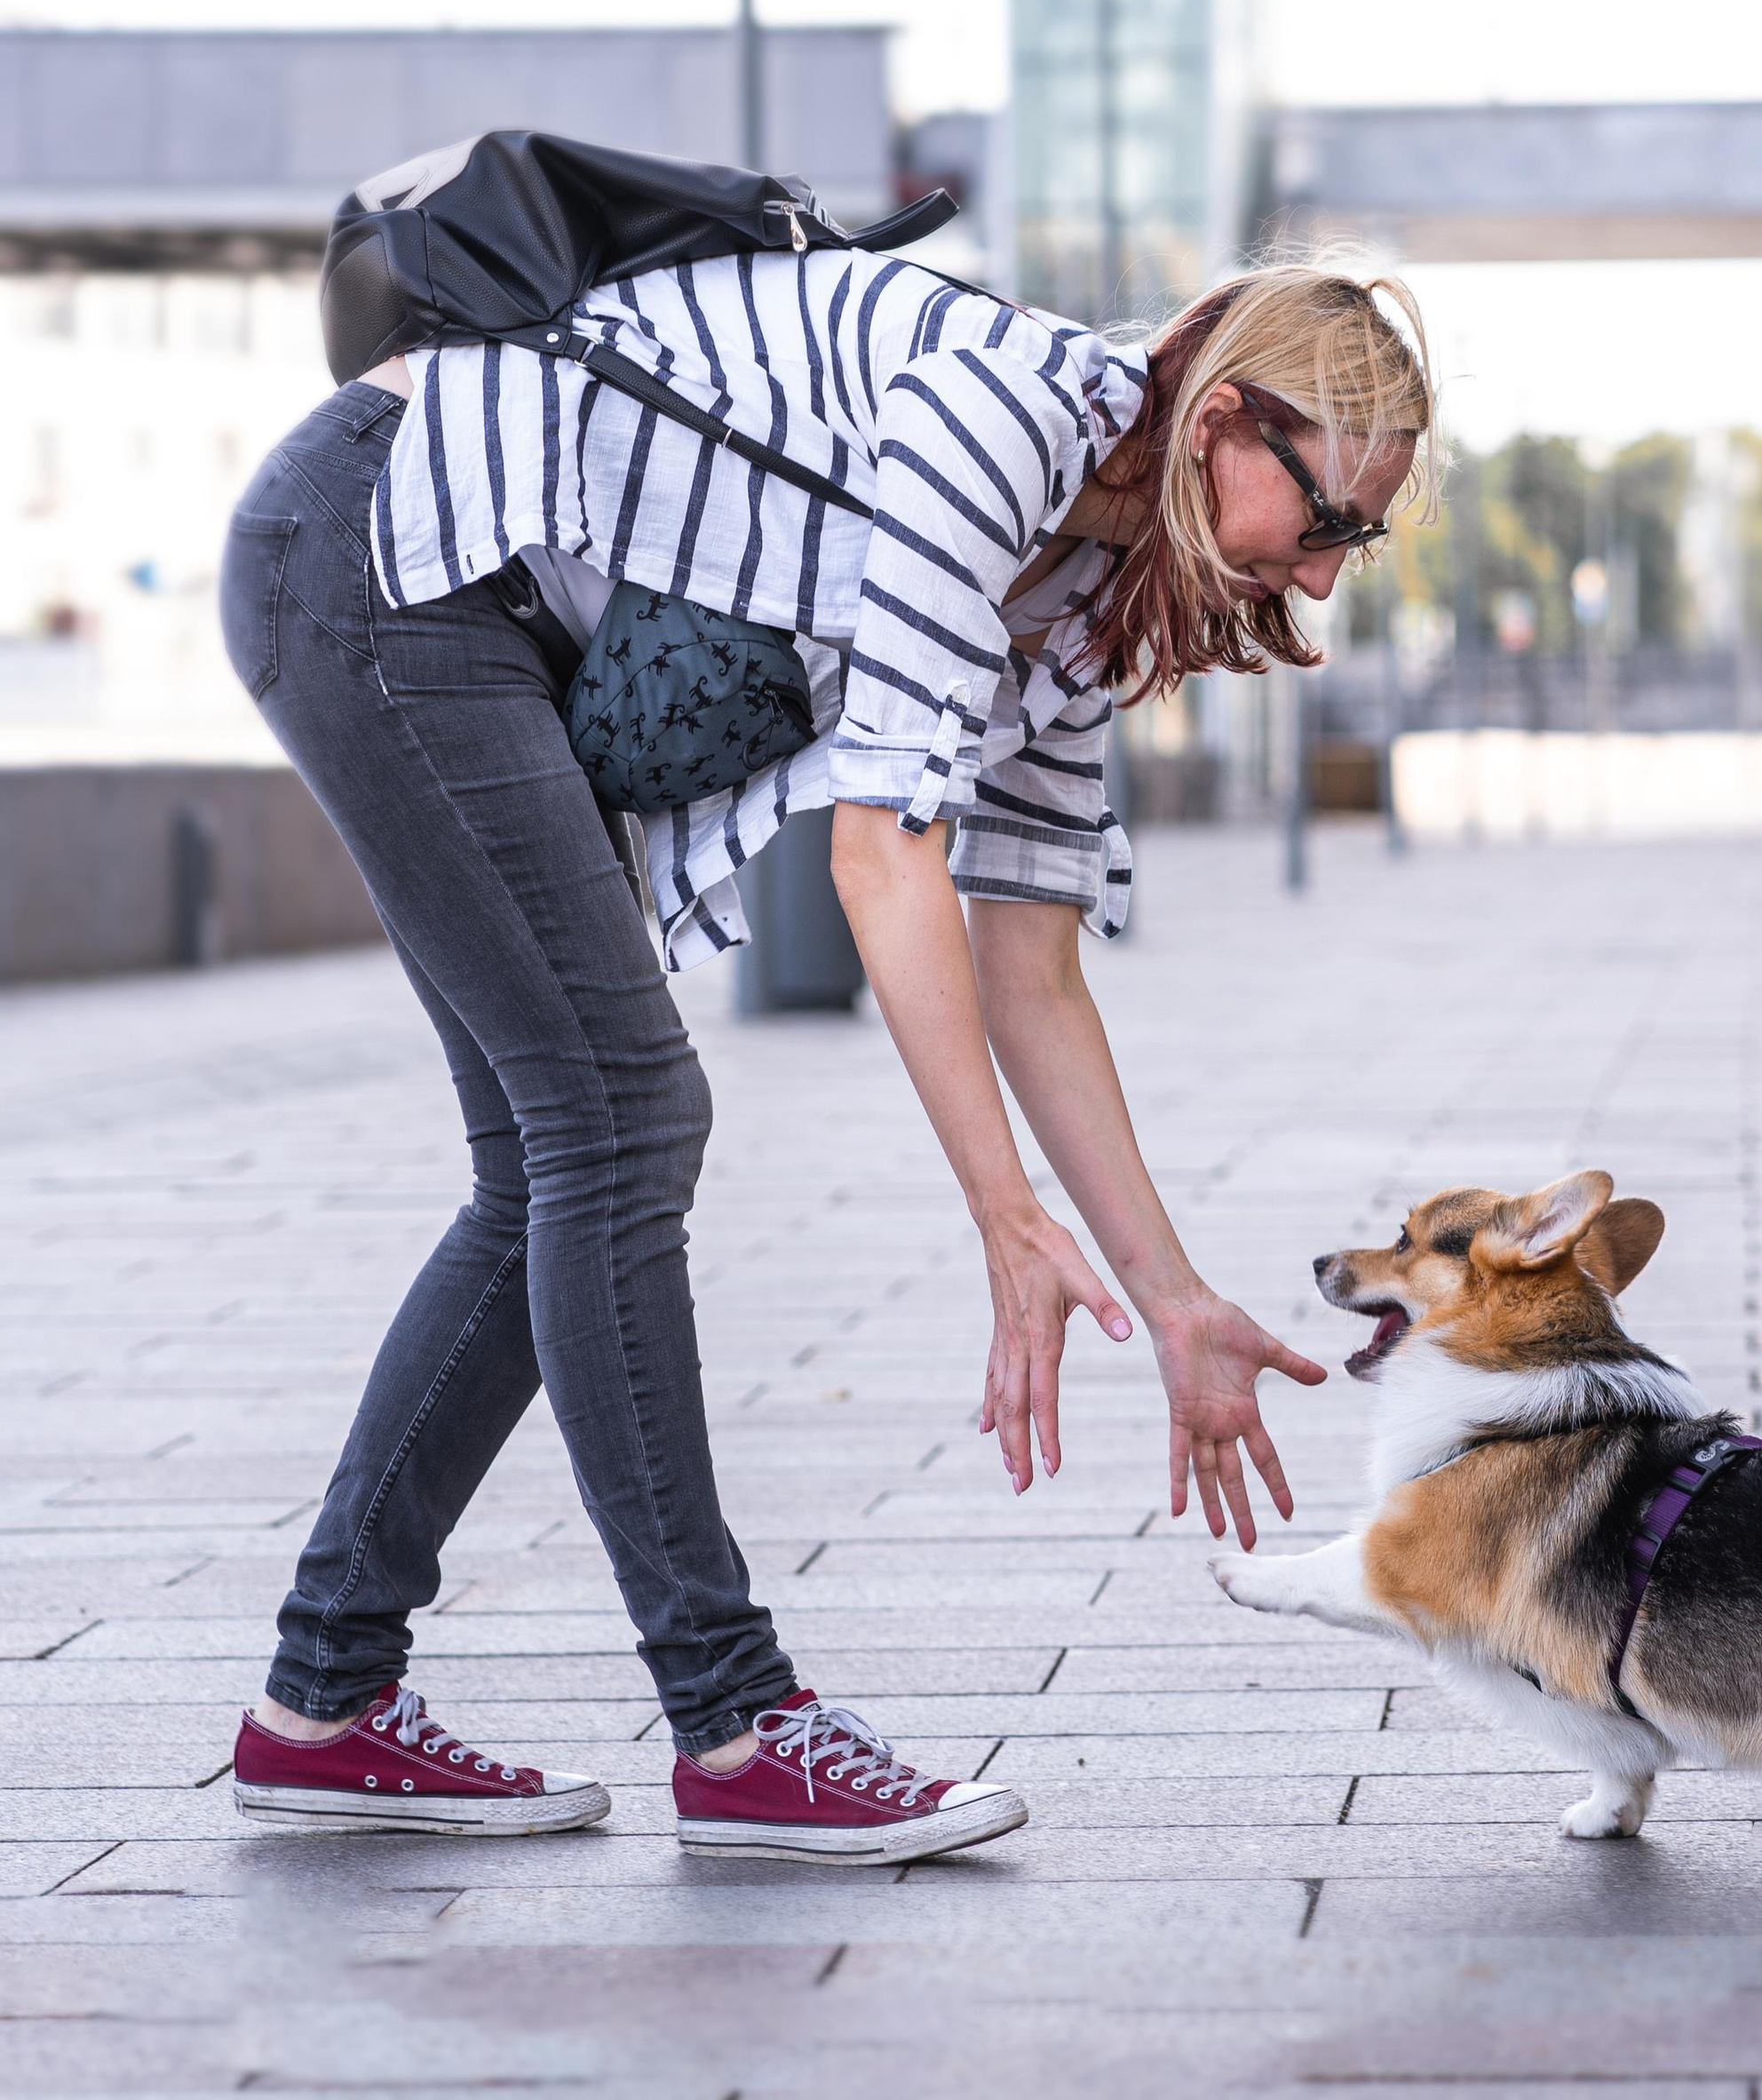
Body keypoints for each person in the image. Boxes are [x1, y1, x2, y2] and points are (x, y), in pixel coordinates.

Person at [220, 244, 1433, 1864]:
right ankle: (733, 1727)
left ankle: (323, 1703)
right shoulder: (1006, 412)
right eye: (1331, 516)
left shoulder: (1085, 591)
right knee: (621, 1123)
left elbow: (1032, 970)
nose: (1328, 575)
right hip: (384, 551)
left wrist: (1171, 1294)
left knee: (555, 1156)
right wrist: (1005, 1219)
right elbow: (885, 851)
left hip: (462, 605)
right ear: (1223, 415)